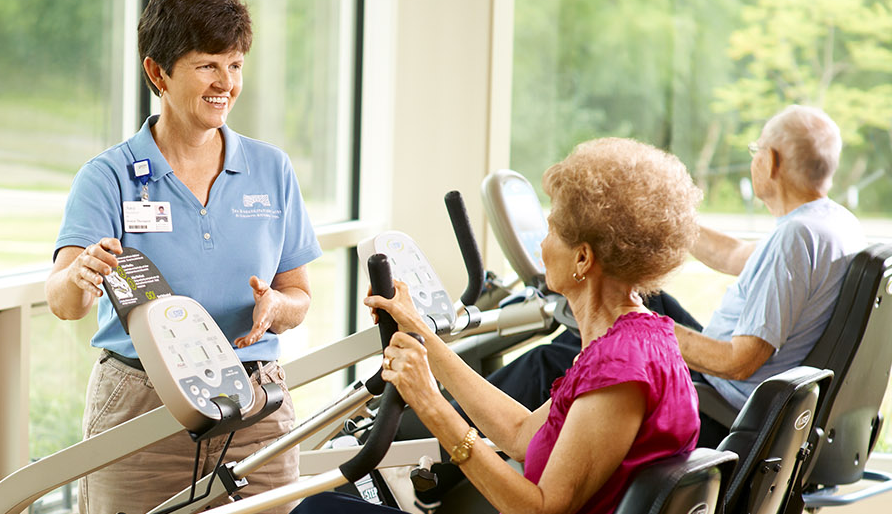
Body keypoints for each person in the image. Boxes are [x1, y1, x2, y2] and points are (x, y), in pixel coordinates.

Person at [297, 138, 703, 514]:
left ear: (583, 260)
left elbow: (540, 509)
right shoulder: (639, 338)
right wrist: (421, 335)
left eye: (551, 230)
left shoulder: (619, 368)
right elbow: (520, 433)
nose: (541, 246)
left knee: (318, 510)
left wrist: (431, 405)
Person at [47, 0, 322, 514]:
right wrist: (81, 275)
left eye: (235, 65)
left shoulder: (272, 169)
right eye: (207, 66)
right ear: (158, 72)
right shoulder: (108, 177)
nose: (226, 83)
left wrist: (277, 306)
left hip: (255, 409)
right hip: (143, 411)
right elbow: (65, 302)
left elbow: (299, 295)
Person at [485, 104, 865, 449]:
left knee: (550, 361)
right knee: (638, 298)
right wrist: (649, 217)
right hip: (730, 388)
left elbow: (739, 362)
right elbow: (735, 254)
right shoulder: (830, 223)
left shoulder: (795, 239)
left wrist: (634, 330)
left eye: (755, 151)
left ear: (769, 162)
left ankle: (442, 440)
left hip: (721, 405)